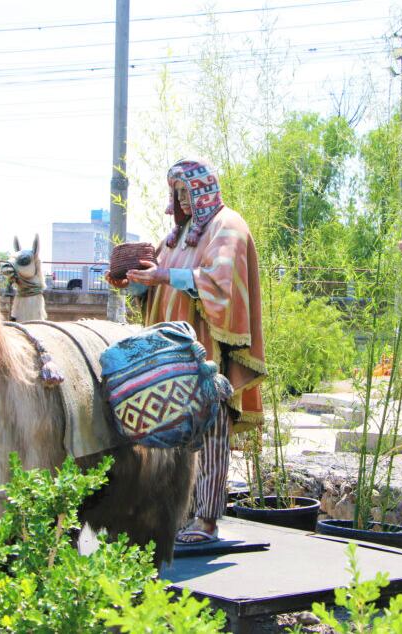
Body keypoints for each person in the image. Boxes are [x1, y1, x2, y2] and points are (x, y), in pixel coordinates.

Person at [107, 157, 266, 545]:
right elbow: (157, 282)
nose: (179, 201)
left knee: (208, 429)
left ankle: (206, 520)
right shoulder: (174, 238)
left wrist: (162, 275)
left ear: (202, 190)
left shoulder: (227, 227)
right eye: (175, 193)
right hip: (168, 358)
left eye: (185, 192)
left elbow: (221, 283)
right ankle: (176, 514)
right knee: (169, 437)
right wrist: (133, 282)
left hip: (206, 353)